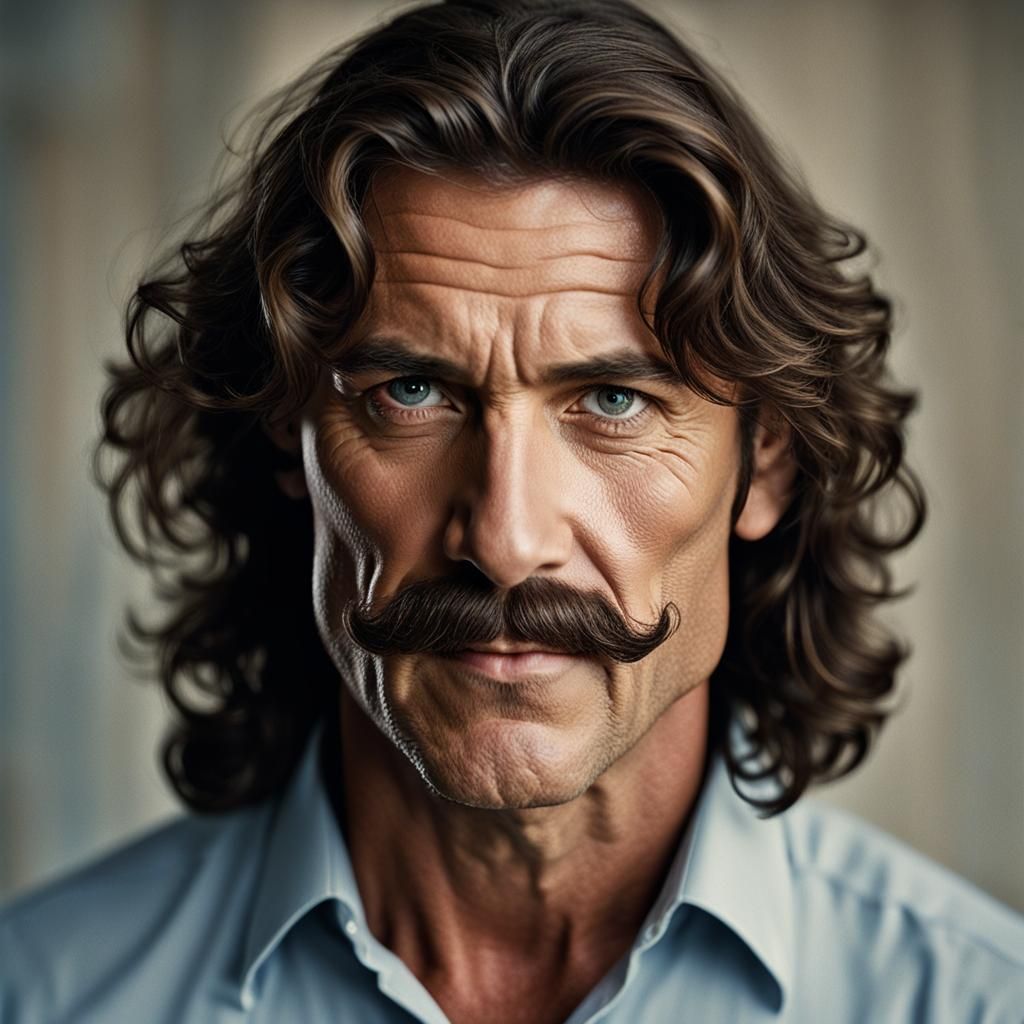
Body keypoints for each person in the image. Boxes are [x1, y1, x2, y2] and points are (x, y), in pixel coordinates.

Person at [2, 0, 1022, 1020]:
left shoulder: (973, 1001)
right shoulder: (45, 994)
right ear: (287, 436)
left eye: (613, 401)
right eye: (410, 393)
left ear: (766, 464)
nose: (504, 540)